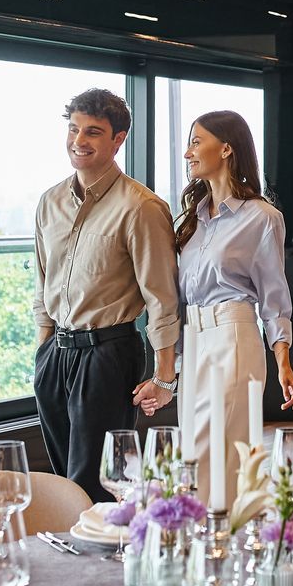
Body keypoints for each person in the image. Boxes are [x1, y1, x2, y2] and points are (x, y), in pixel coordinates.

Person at [133, 111, 293, 496]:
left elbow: (274, 297)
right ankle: (223, 541)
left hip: (234, 338)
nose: (188, 152)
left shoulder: (262, 218)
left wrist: (283, 361)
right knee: (198, 455)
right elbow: (178, 296)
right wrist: (168, 372)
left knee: (215, 456)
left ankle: (215, 543)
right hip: (194, 340)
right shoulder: (192, 220)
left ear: (226, 148)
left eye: (196, 141)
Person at [32, 88, 180, 501]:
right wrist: (42, 353)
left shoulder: (141, 207)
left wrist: (165, 375)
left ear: (118, 139)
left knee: (97, 482)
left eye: (93, 132)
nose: (79, 140)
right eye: (74, 129)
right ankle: (71, 558)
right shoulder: (50, 202)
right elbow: (43, 282)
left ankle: (106, 560)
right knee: (63, 483)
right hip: (56, 353)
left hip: (109, 353)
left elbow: (161, 298)